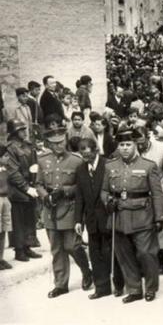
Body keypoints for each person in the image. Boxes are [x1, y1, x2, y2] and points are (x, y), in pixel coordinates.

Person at [101, 128, 163, 303]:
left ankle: (151, 287)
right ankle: (135, 289)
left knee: (147, 254)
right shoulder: (110, 166)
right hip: (119, 217)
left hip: (142, 216)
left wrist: (159, 217)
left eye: (128, 144)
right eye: (121, 144)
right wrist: (108, 200)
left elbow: (157, 194)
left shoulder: (148, 165)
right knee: (125, 255)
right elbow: (104, 190)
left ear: (135, 145)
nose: (125, 148)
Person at [35, 127, 93, 298]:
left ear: (65, 141)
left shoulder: (76, 161)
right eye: (53, 143)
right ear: (49, 144)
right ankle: (61, 284)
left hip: (69, 208)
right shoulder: (42, 160)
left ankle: (86, 271)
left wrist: (66, 191)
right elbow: (38, 183)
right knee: (57, 248)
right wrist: (45, 196)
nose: (57, 146)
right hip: (50, 209)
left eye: (60, 142)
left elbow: (83, 185)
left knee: (72, 245)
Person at [74, 138, 124, 299]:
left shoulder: (108, 165)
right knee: (95, 253)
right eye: (82, 153)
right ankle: (102, 287)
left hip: (108, 217)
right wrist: (78, 220)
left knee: (112, 252)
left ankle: (118, 285)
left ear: (95, 150)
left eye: (87, 153)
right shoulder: (81, 169)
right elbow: (79, 197)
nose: (84, 156)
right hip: (91, 220)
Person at [135, 126, 163, 275]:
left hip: (159, 195)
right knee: (145, 230)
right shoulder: (133, 151)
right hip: (141, 196)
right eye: (136, 143)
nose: (139, 146)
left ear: (148, 136)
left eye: (142, 142)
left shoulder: (162, 151)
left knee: (162, 229)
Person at [5, 119, 41, 262]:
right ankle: (19, 249)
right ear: (13, 132)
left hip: (30, 184)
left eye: (24, 129)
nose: (23, 132)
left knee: (29, 218)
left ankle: (27, 245)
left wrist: (34, 183)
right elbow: (12, 172)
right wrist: (26, 188)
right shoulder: (10, 148)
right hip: (17, 189)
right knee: (18, 220)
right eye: (20, 130)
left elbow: (35, 164)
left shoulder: (27, 145)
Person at [0, 144, 13, 270]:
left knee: (4, 229)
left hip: (5, 198)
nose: (7, 158)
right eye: (4, 156)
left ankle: (1, 257)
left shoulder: (5, 168)